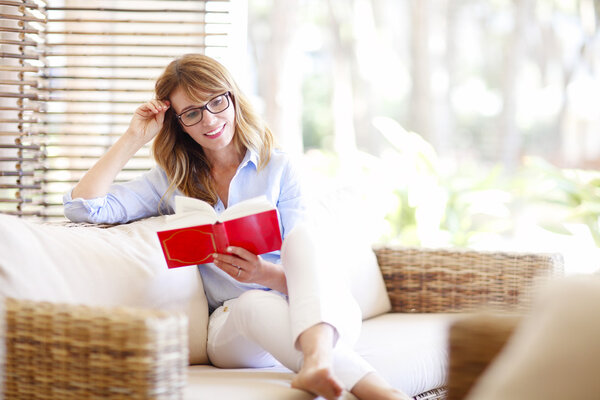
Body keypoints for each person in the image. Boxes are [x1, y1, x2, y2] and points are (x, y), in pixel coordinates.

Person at [63, 54, 409, 400]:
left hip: (324, 316)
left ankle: (317, 361)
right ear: (179, 123)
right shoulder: (172, 180)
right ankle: (379, 391)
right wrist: (133, 138)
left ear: (232, 97)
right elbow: (85, 207)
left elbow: (310, 275)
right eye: (192, 113)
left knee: (301, 241)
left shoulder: (279, 168)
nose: (209, 120)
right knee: (253, 305)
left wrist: (262, 274)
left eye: (216, 102)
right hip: (237, 330)